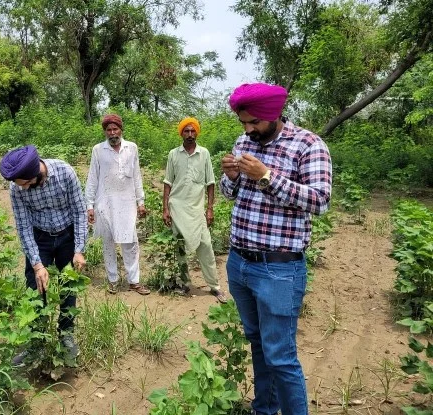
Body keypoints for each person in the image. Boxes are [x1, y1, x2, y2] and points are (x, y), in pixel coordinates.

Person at [220, 83, 332, 415]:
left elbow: (320, 200)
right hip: (240, 263)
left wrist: (268, 176)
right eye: (243, 123)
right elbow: (231, 194)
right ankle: (264, 410)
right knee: (258, 344)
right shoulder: (244, 142)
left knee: (281, 355)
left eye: (254, 122)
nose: (248, 129)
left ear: (273, 114)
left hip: (279, 270)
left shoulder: (308, 145)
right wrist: (231, 176)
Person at [0, 145, 88, 366]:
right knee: (35, 286)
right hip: (40, 237)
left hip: (67, 234)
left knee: (69, 285)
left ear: (36, 173)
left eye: (28, 183)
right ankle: (36, 341)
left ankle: (66, 335)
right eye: (22, 185)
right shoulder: (17, 189)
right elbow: (23, 226)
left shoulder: (65, 173)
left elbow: (79, 210)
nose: (25, 189)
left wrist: (79, 250)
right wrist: (38, 265)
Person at [162, 117, 228, 303]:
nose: (190, 134)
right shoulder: (173, 154)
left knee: (205, 246)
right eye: (186, 131)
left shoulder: (204, 153)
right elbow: (168, 183)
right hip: (177, 207)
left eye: (193, 131)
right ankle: (184, 283)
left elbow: (210, 183)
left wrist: (210, 209)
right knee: (180, 247)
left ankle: (214, 286)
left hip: (197, 209)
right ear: (181, 133)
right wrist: (165, 208)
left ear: (197, 132)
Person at [85, 114, 150, 295]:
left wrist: (141, 201)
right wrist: (89, 205)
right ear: (105, 132)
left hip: (127, 202)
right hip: (105, 202)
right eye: (109, 130)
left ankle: (134, 281)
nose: (112, 133)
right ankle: (112, 280)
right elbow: (92, 178)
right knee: (108, 242)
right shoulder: (98, 150)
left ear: (121, 130)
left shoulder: (132, 148)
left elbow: (137, 175)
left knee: (130, 242)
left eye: (115, 129)